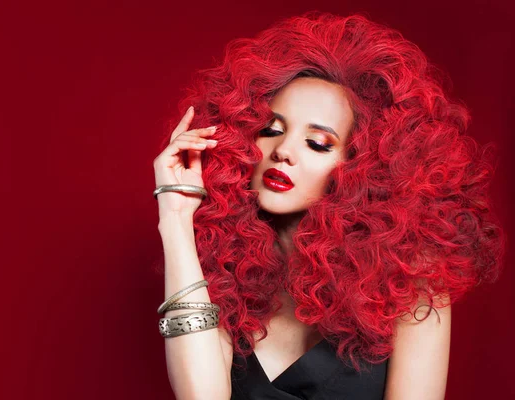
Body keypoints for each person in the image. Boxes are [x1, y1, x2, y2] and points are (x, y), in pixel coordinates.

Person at [152, 10, 505, 400]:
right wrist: (176, 217)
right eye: (271, 130)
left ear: (363, 168)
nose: (283, 151)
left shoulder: (411, 283)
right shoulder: (218, 270)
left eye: (317, 143)